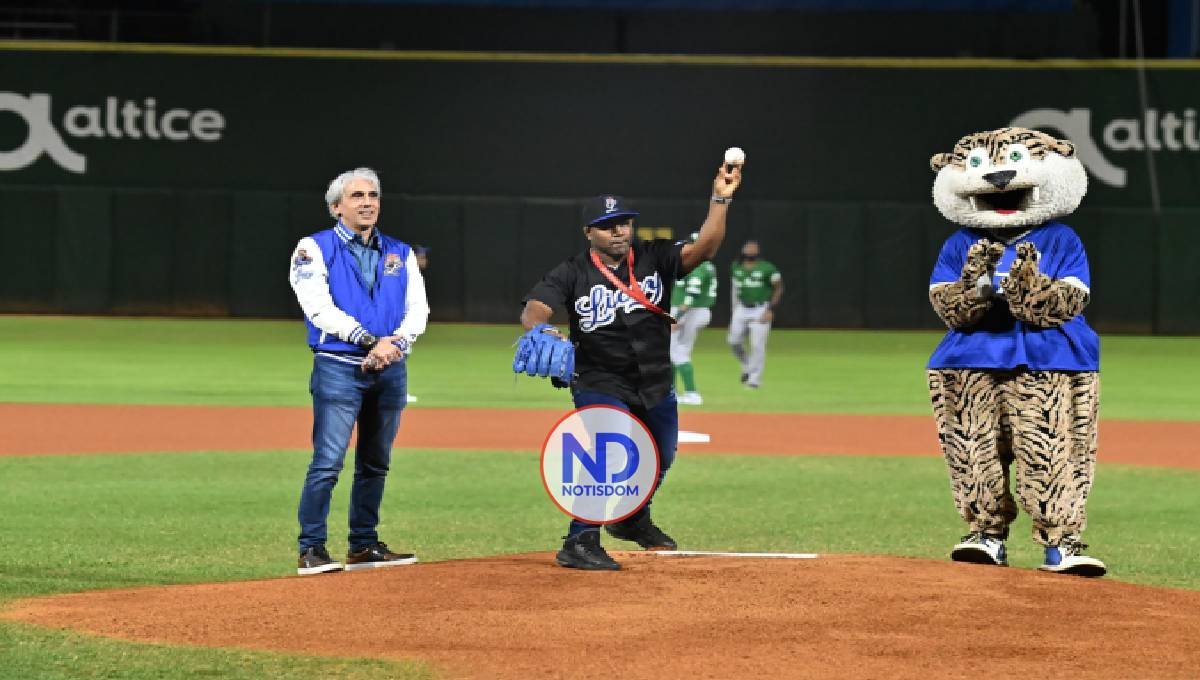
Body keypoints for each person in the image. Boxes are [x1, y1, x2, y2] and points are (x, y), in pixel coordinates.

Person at [518, 158, 744, 571]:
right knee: (611, 446)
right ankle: (580, 539)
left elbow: (706, 247)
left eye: (624, 223)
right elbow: (536, 307)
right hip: (599, 379)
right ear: (589, 232)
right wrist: (542, 328)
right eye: (608, 226)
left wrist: (720, 200)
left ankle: (630, 517)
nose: (619, 231)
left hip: (654, 378)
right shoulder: (572, 272)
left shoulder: (655, 257)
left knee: (661, 454)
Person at [288, 167, 430, 576]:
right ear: (336, 207)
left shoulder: (399, 252)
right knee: (328, 462)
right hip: (338, 366)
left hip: (390, 369)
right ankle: (311, 548)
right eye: (357, 196)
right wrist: (370, 341)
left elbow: (417, 309)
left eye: (373, 196)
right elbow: (317, 307)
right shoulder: (313, 248)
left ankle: (363, 546)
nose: (367, 203)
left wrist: (396, 345)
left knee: (375, 462)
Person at [670, 232, 717, 405]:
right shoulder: (704, 265)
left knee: (678, 352)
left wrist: (676, 318)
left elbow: (691, 295)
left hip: (690, 312)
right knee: (672, 351)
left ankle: (692, 393)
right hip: (694, 311)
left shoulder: (697, 265)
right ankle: (672, 392)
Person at [728, 240, 783, 389]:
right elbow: (735, 289)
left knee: (757, 345)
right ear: (743, 251)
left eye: (753, 249)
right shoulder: (736, 266)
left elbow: (778, 287)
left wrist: (770, 309)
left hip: (761, 308)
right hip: (741, 308)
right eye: (748, 248)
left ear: (758, 252)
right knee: (733, 341)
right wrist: (734, 309)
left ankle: (754, 379)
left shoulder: (767, 268)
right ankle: (747, 364)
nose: (750, 251)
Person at [406, 246, 431, 404]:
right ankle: (399, 392)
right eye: (421, 257)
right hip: (399, 324)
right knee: (398, 356)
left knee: (401, 356)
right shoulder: (404, 274)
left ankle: (400, 391)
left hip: (406, 323)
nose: (424, 260)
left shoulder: (414, 275)